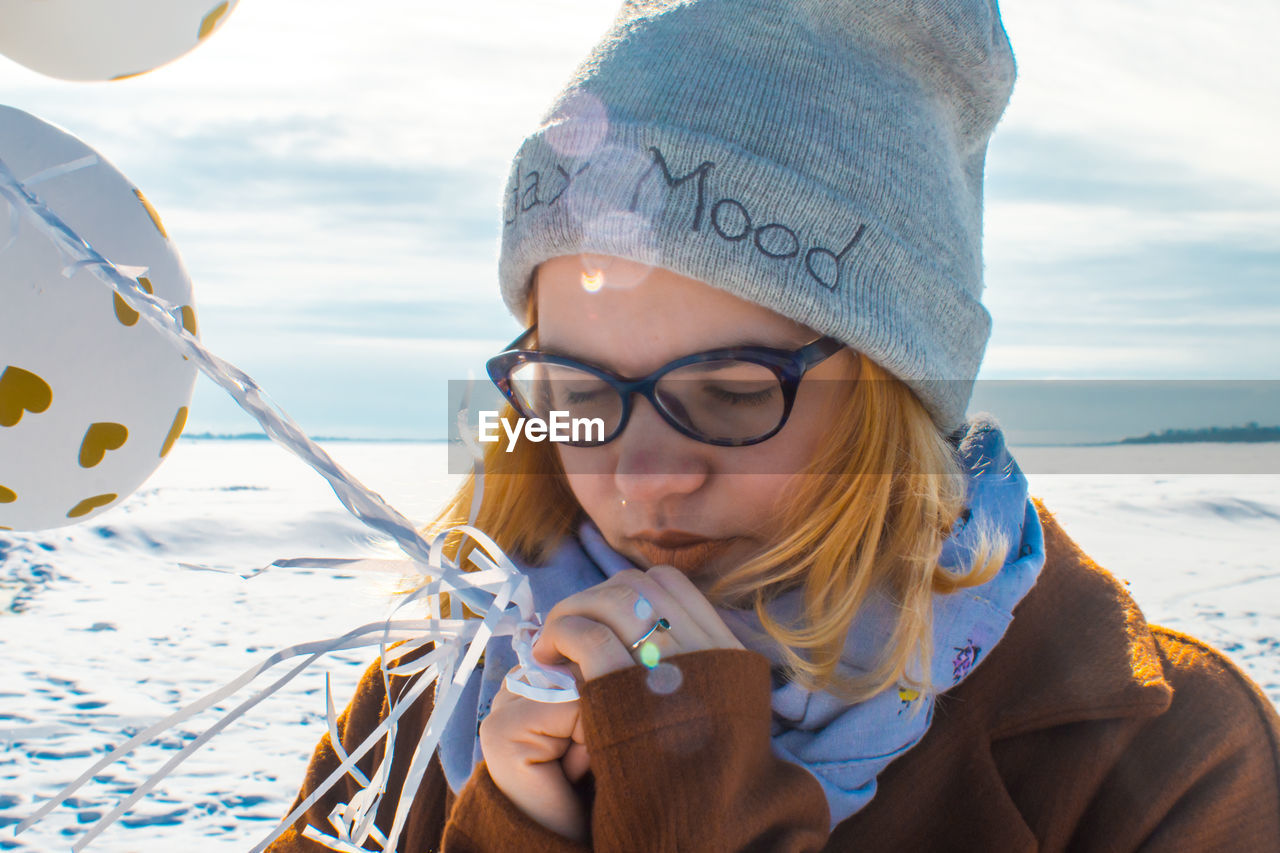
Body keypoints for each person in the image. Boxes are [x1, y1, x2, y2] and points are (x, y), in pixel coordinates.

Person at [270, 0, 1280, 850]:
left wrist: (689, 804)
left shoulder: (1156, 757)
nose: (641, 478)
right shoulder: (426, 703)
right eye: (576, 395)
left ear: (894, 392)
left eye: (731, 391)